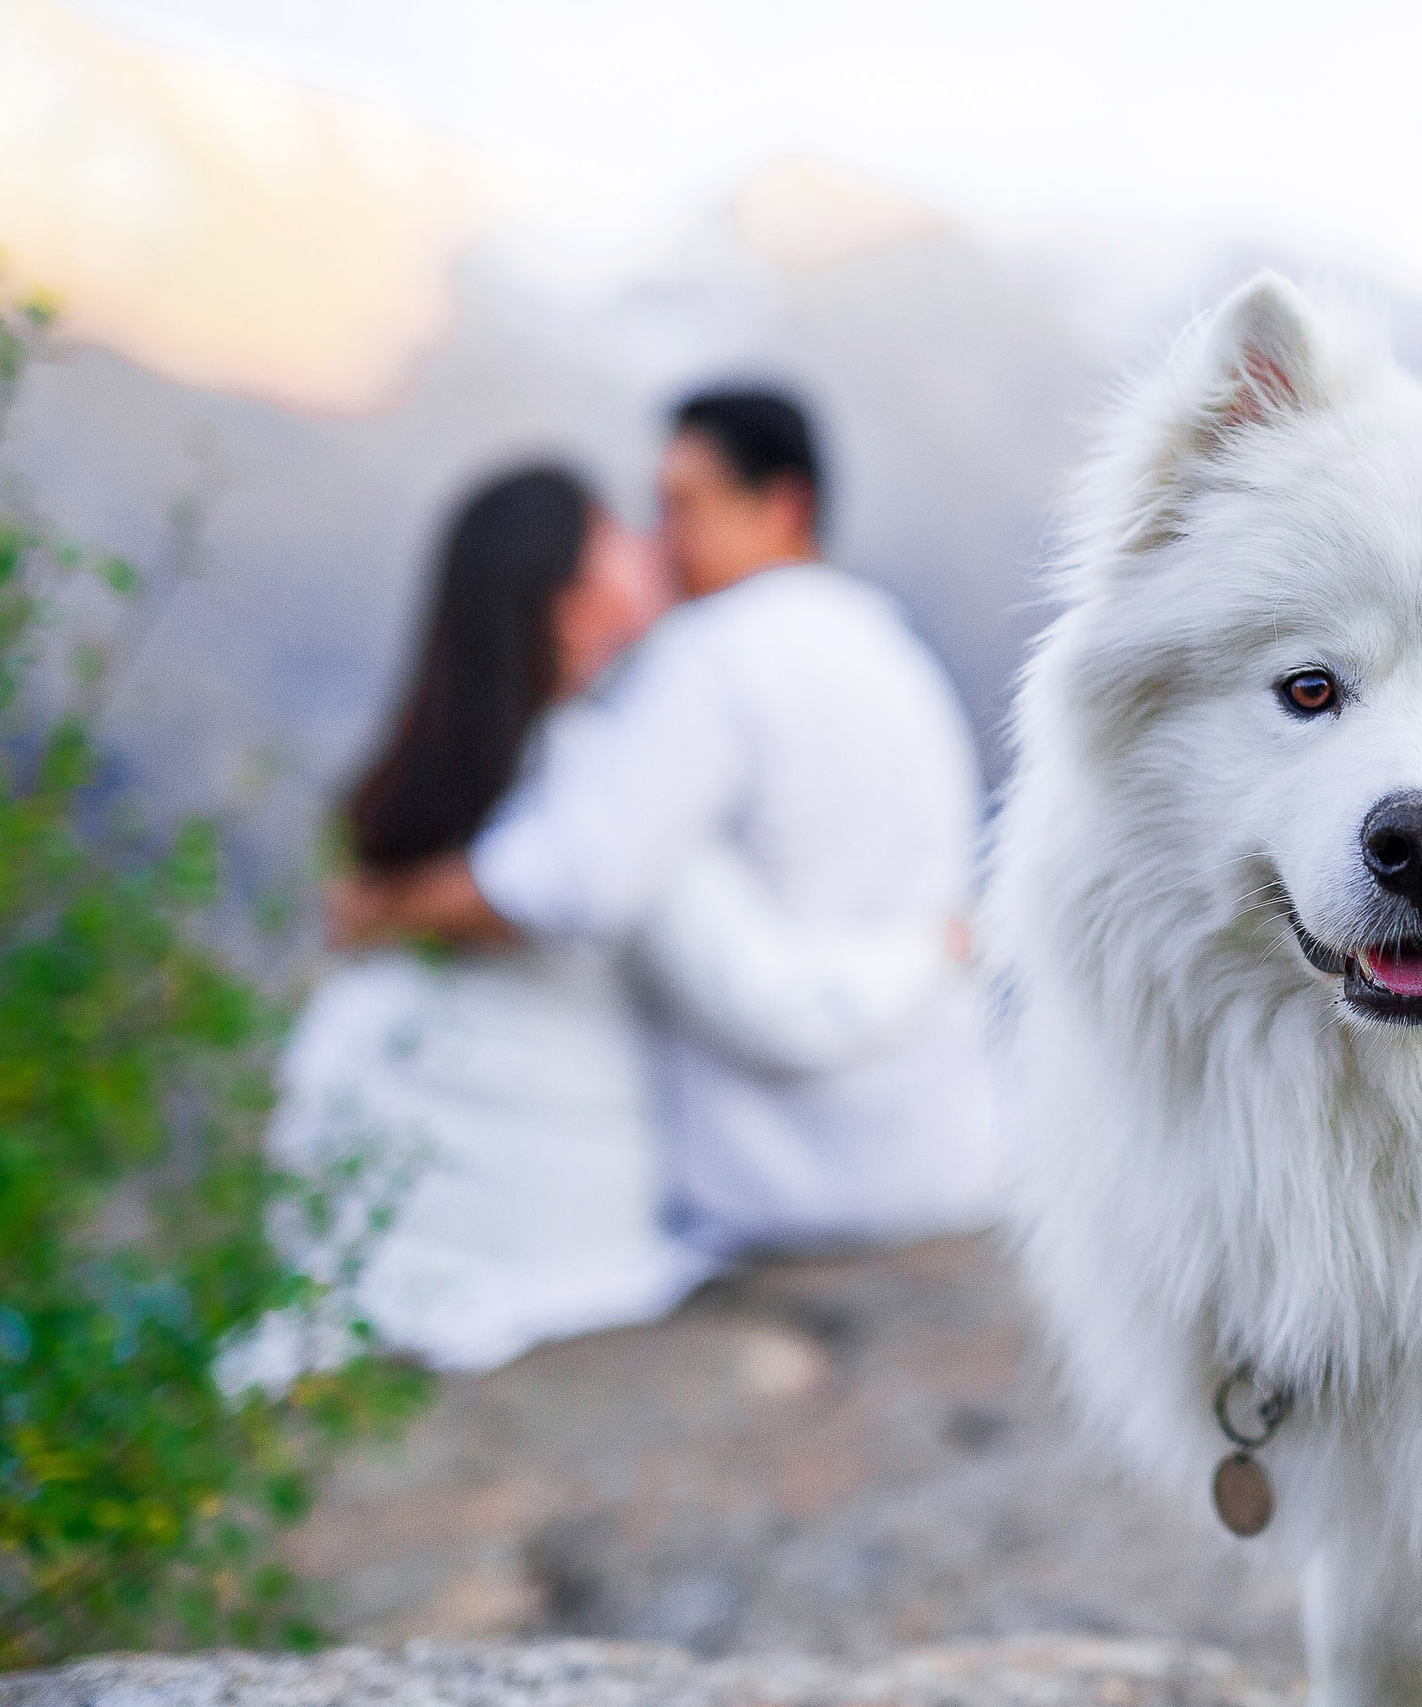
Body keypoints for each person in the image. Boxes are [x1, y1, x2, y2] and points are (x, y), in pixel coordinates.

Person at [333, 388, 1002, 1254]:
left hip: (790, 1183)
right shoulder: (894, 650)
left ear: (781, 505)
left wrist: (390, 906)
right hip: (939, 1148)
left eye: (684, 505)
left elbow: (580, 876)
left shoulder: (715, 653)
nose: (661, 541)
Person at [268, 465, 715, 1373]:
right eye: (614, 535)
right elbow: (566, 886)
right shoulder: (601, 763)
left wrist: (393, 909)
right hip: (554, 1201)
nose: (647, 546)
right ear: (570, 600)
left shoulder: (438, 774)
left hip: (392, 1168)